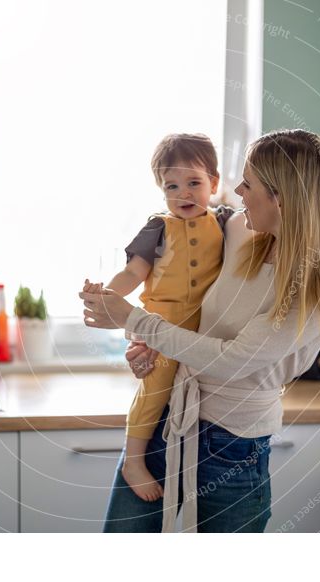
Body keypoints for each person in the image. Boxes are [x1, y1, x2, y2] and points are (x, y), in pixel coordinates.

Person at [81, 129, 320, 532]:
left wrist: (132, 319)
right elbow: (187, 304)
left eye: (248, 183)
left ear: (280, 195)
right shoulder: (241, 230)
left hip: (234, 446)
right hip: (170, 417)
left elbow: (233, 359)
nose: (236, 190)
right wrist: (151, 346)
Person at [88, 133, 234, 502]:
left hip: (206, 331)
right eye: (172, 185)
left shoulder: (228, 223)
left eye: (194, 183)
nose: (183, 193)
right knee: (155, 391)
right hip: (161, 328)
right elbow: (133, 273)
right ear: (161, 189)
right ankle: (134, 461)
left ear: (214, 184)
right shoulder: (157, 228)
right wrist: (107, 295)